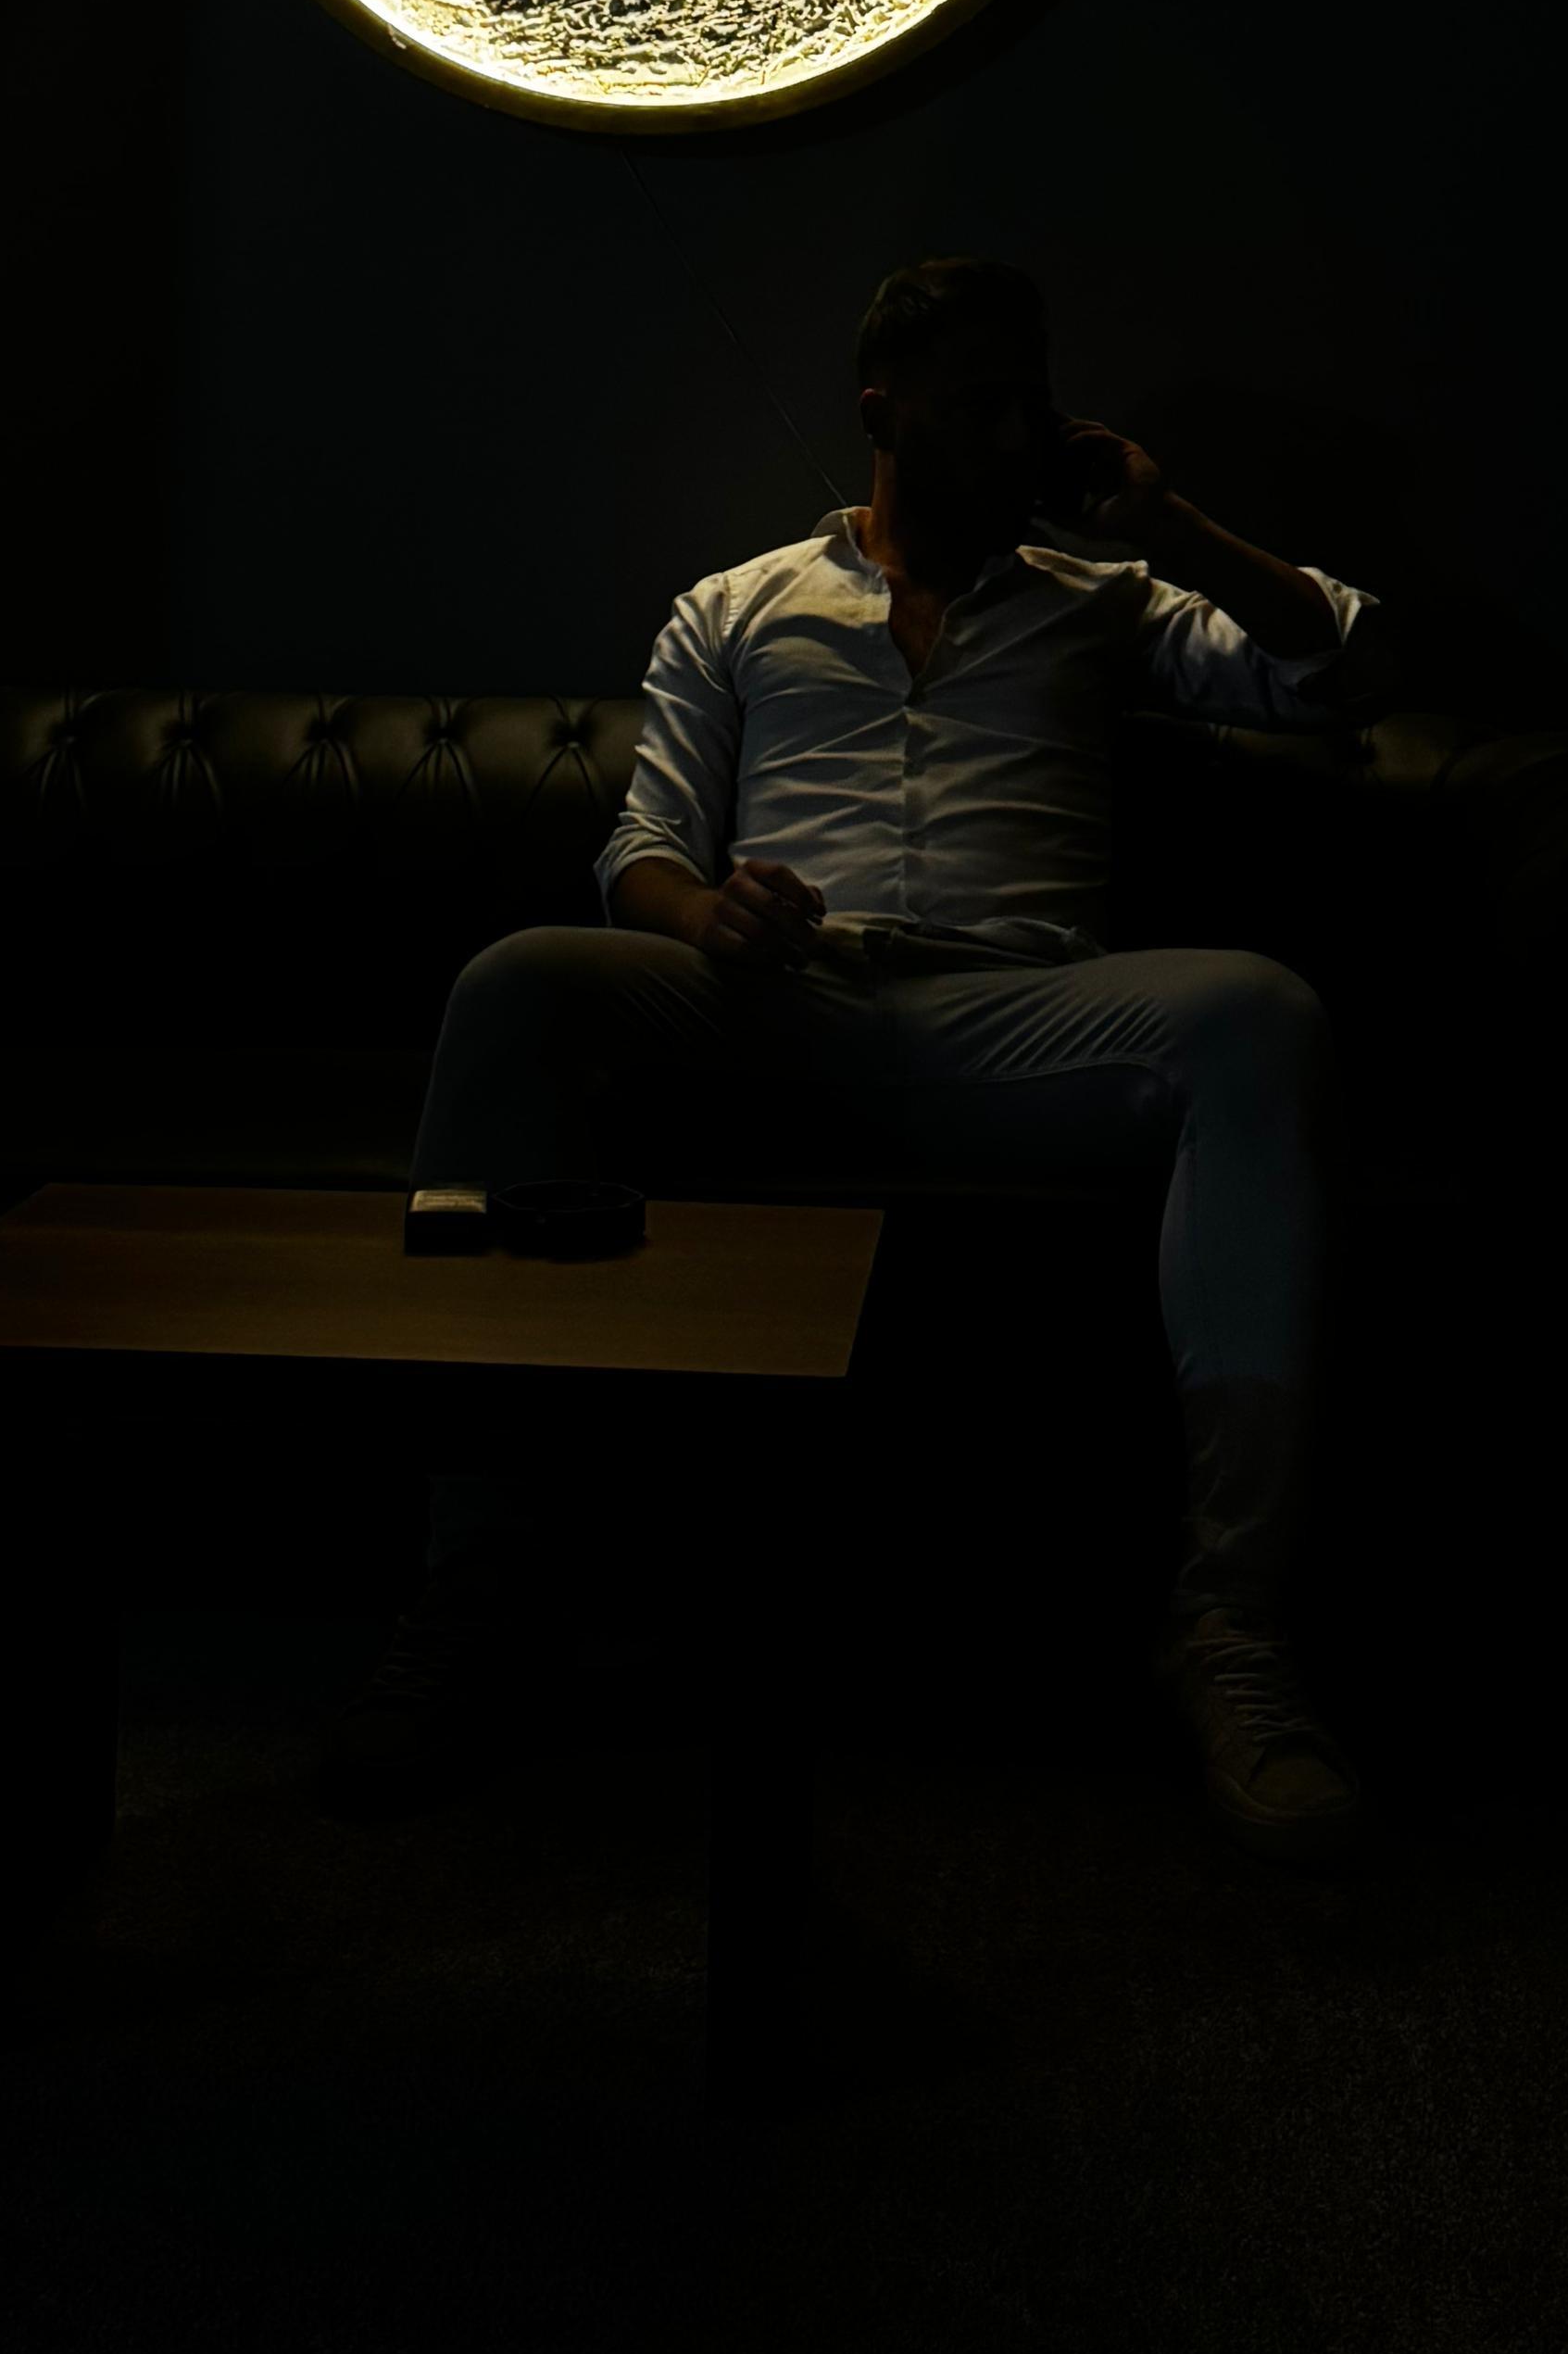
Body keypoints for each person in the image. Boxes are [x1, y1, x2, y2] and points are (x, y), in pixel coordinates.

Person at [319, 253, 1378, 1867]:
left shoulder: (1104, 597)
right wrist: (711, 914)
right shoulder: (739, 605)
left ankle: (1229, 1625)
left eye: (1034, 404)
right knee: (516, 981)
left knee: (1261, 1011)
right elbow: (641, 851)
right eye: (979, 408)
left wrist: (1164, 522)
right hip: (784, 1009)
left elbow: (1339, 669)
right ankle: (481, 1583)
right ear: (884, 417)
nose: (1019, 437)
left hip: (1024, 1019)